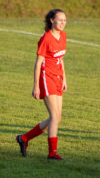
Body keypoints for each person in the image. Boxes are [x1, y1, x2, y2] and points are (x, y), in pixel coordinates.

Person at [16, 9, 67, 160]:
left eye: (65, 20)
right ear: (52, 20)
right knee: (54, 116)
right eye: (60, 20)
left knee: (57, 119)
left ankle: (24, 138)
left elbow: (60, 58)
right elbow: (38, 64)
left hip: (58, 78)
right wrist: (36, 86)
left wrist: (64, 78)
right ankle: (52, 153)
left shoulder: (63, 36)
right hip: (47, 78)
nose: (63, 23)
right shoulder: (45, 38)